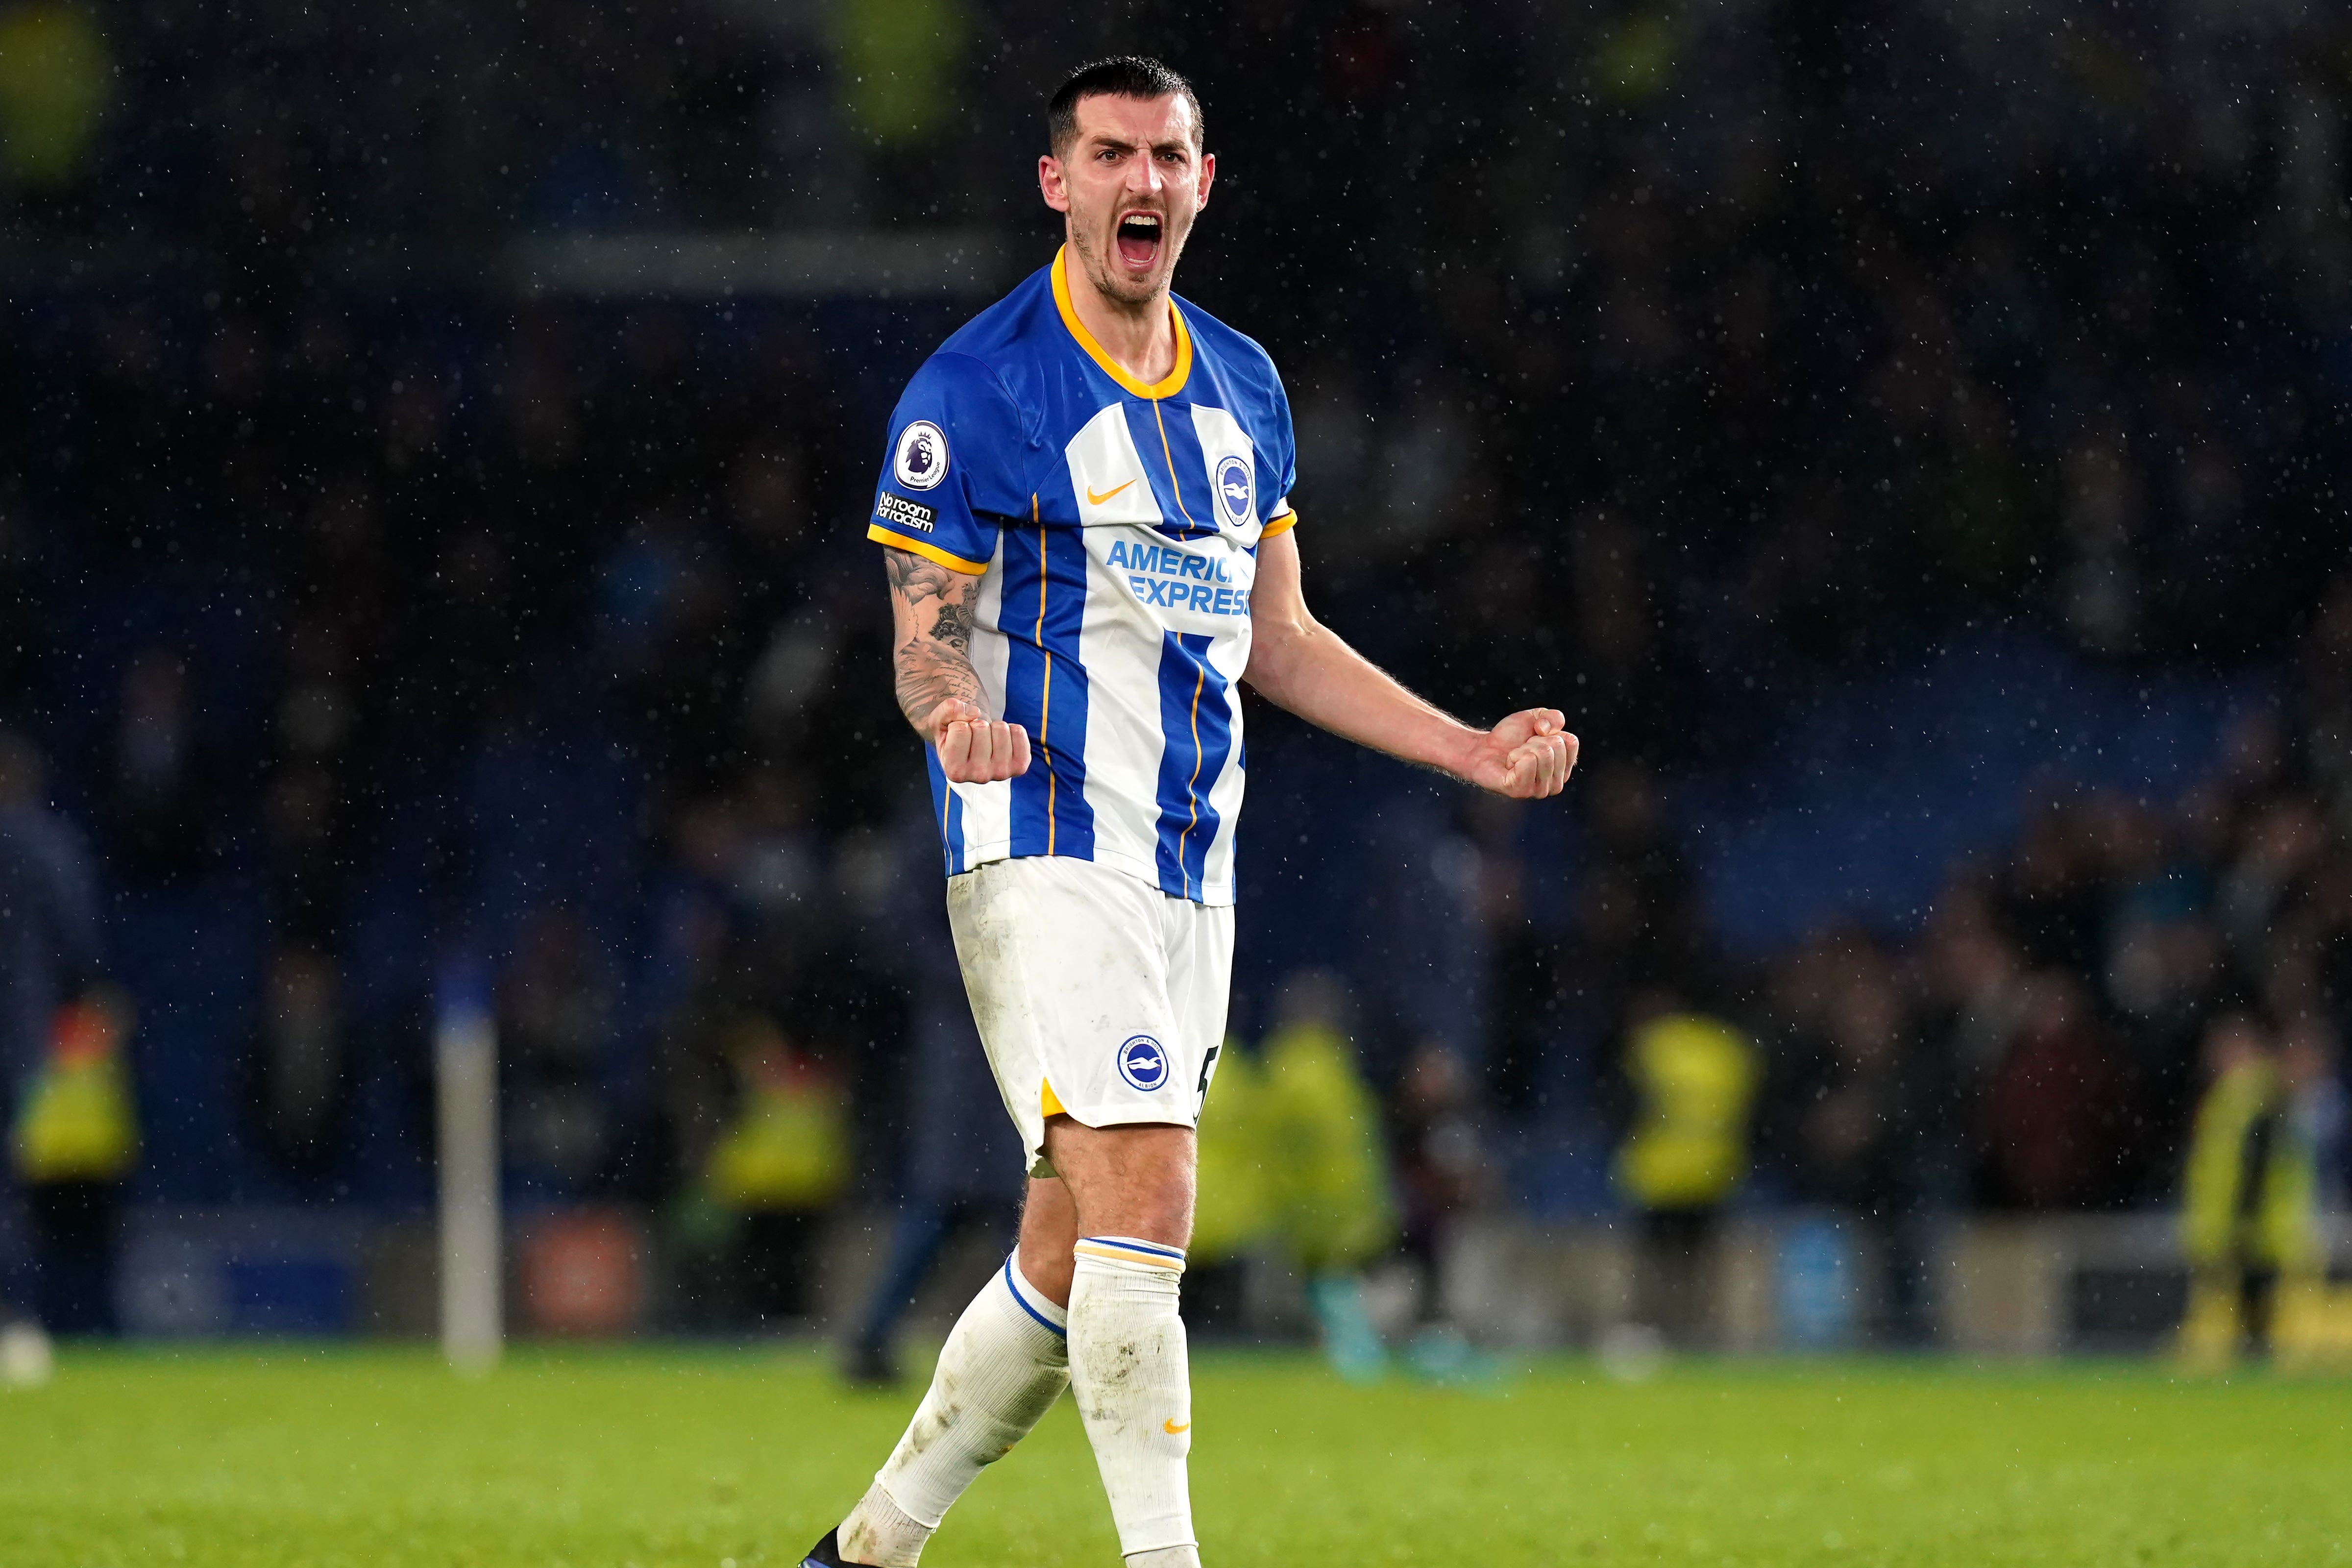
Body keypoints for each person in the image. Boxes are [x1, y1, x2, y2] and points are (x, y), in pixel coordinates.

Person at [802, 56, 1575, 1568]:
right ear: (1059, 182)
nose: (1139, 182)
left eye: (1165, 156)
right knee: (1151, 1183)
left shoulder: (1244, 388)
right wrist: (950, 713)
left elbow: (1278, 638)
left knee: (1067, 1242)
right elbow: (922, 627)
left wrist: (1465, 750)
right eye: (1108, 155)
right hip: (1037, 842)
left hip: (1184, 868)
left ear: (1202, 183)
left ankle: (867, 1552)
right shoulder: (977, 386)